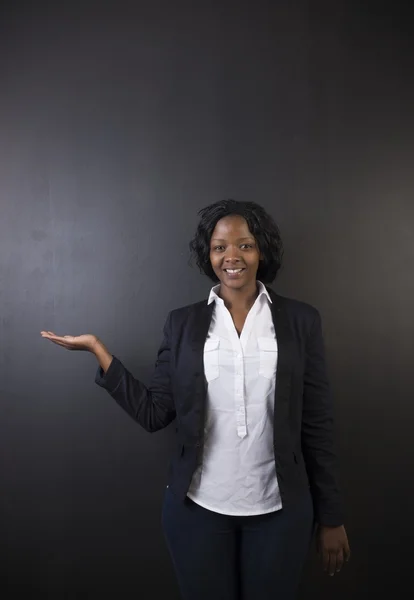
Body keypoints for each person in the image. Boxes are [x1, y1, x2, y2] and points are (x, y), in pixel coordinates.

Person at [41, 199, 350, 600]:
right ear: (209, 255)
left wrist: (331, 517)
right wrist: (100, 353)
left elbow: (317, 424)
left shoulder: (300, 320)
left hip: (281, 512)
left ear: (262, 251)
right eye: (220, 247)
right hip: (197, 512)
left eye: (245, 244)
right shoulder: (182, 324)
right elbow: (155, 413)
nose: (232, 256)